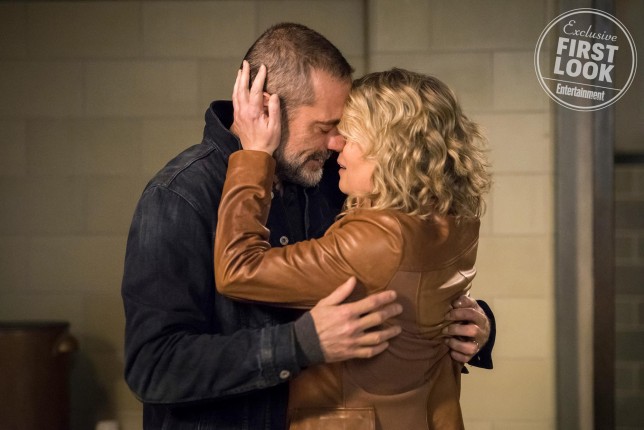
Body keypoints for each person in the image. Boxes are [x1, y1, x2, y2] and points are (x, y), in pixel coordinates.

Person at [122, 22, 494, 430]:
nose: (336, 143)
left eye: (343, 128)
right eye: (324, 127)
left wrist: (471, 327)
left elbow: (402, 274)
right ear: (266, 110)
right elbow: (152, 367)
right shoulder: (181, 194)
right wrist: (297, 345)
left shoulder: (333, 178)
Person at [214, 65, 492, 429]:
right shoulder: (454, 220)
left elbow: (238, 269)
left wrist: (254, 156)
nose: (335, 145)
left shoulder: (380, 237)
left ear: (390, 149)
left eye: (349, 134)